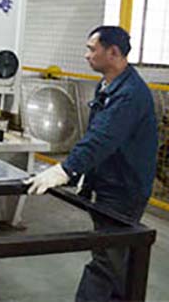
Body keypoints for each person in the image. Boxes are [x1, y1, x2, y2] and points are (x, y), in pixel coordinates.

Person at [25, 25, 158, 301]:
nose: (86, 55)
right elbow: (96, 135)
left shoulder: (130, 94)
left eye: (91, 49)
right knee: (117, 257)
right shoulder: (108, 85)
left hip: (124, 187)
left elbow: (102, 138)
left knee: (107, 259)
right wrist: (83, 176)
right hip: (108, 180)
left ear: (113, 52)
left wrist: (66, 169)